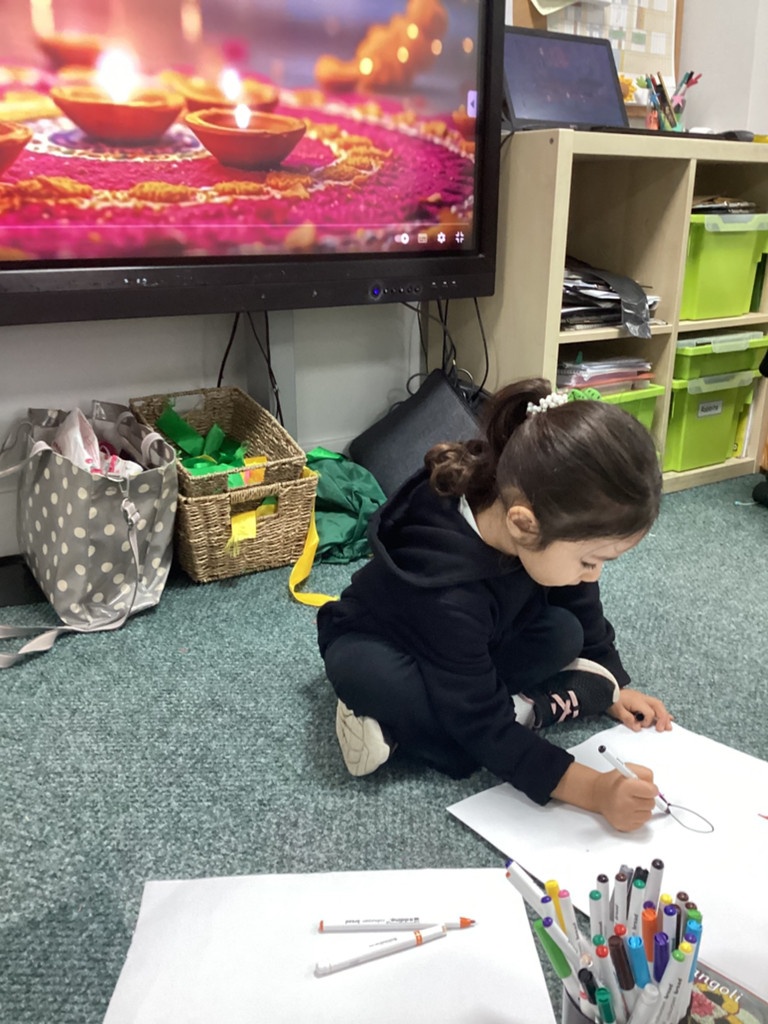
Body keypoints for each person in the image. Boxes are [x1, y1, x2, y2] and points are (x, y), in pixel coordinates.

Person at [317, 378, 674, 832]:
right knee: (392, 690)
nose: (594, 574)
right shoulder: (449, 595)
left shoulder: (527, 504)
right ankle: (521, 709)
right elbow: (481, 725)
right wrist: (595, 791)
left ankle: (434, 722)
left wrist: (615, 684)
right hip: (384, 644)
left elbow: (580, 597)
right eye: (589, 561)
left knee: (565, 632)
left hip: (476, 638)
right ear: (524, 526)